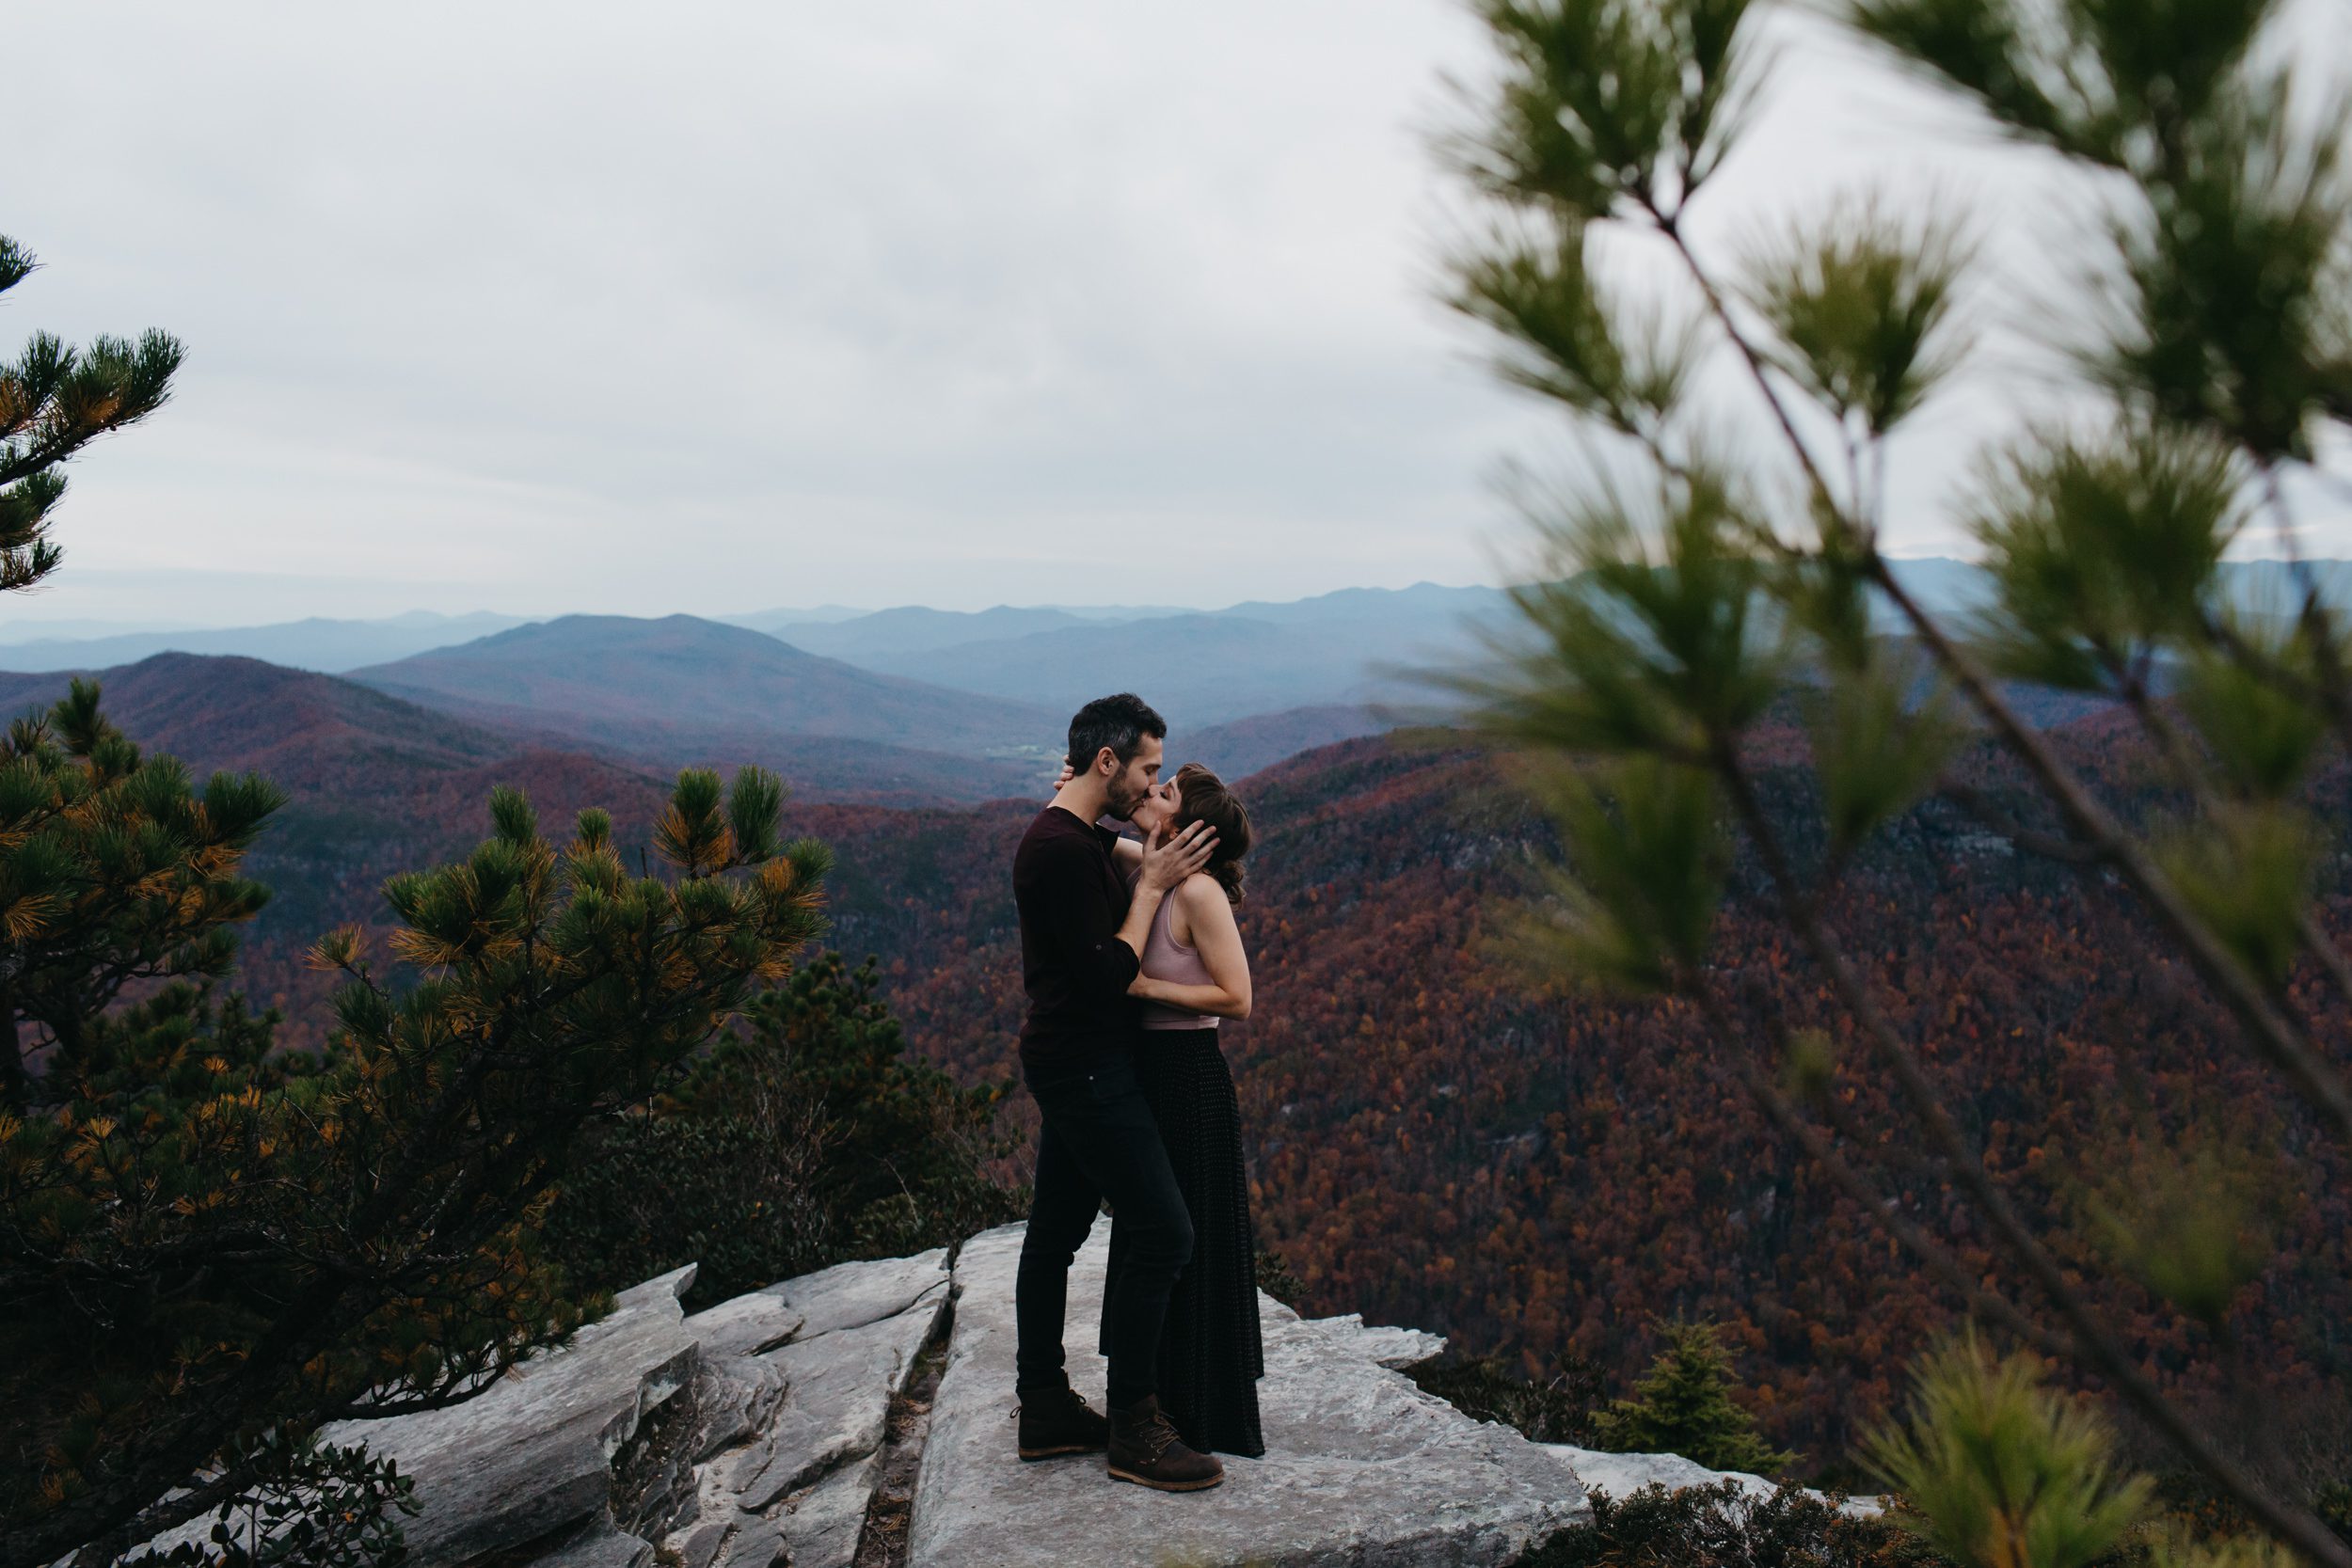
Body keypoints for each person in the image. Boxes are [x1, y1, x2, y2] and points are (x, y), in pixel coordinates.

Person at [1010, 693, 1227, 1492]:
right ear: (1108, 762)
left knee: (1057, 1232)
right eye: (1147, 768)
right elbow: (1109, 976)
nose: (1153, 783)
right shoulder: (1061, 850)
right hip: (1089, 1066)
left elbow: (1103, 847)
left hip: (1073, 1059)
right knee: (1167, 1233)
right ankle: (1135, 1422)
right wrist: (1149, 889)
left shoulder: (1075, 835)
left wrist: (1145, 841)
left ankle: (1043, 1406)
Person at [1103, 763, 1265, 1458]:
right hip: (1152, 1076)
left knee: (1185, 1231)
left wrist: (1142, 986)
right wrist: (1073, 787)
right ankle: (1150, 1398)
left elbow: (1237, 998)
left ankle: (1197, 1406)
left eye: (1164, 792)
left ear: (1188, 829)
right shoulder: (1158, 869)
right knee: (1153, 1231)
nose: (1151, 794)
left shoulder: (1198, 892)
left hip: (1191, 1078)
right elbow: (1090, 835)